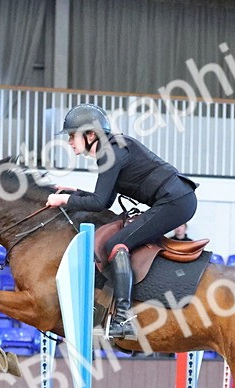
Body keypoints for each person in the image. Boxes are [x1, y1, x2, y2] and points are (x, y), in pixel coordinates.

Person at [45, 104, 198, 338]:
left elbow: (98, 203)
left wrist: (66, 200)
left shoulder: (110, 152)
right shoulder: (112, 148)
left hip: (175, 202)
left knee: (116, 245)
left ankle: (123, 318)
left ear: (90, 135)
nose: (69, 142)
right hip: (177, 199)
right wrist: (74, 193)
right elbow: (104, 200)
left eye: (72, 136)